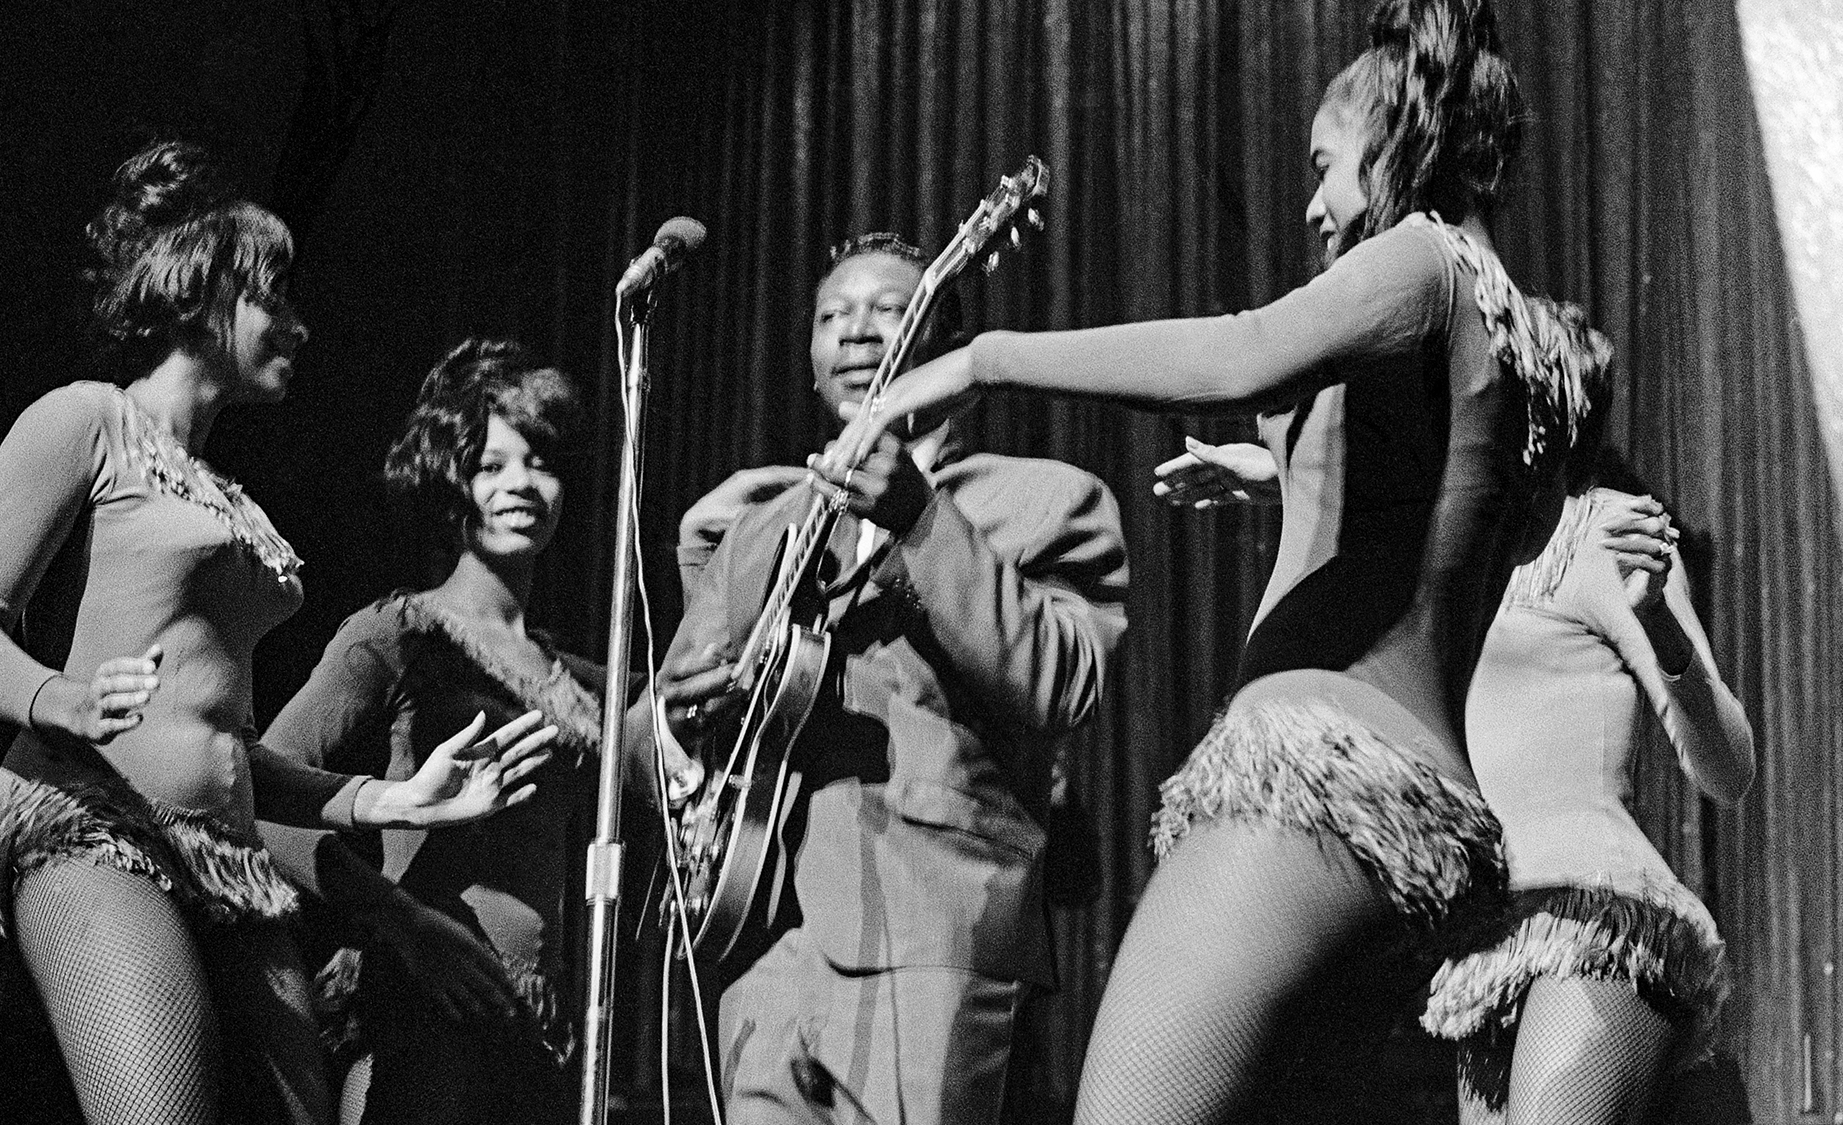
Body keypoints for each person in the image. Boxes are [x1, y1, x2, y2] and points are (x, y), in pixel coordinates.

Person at [824, 1, 1613, 1119]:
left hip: (1318, 784)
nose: (1310, 204)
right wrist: (1281, 476)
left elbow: (1243, 352)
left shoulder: (1421, 259)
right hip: (1434, 825)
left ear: (1399, 143)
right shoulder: (1530, 337)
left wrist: (980, 361)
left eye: (1324, 167)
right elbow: (1468, 517)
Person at [0, 142, 555, 1125]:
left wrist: (390, 796)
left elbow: (227, 749)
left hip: (225, 857)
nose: (300, 327)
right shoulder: (86, 422)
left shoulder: (228, 496)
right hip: (92, 821)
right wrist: (64, 699)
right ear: (196, 296)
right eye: (277, 300)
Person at [657, 231, 1130, 1124]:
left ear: (947, 345)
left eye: (885, 309)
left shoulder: (1046, 499)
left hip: (934, 927)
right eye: (832, 316)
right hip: (760, 936)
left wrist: (917, 517)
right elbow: (656, 726)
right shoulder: (766, 528)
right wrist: (682, 724)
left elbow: (1064, 682)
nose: (855, 332)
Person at [1159, 435, 1754, 1122]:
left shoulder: (1604, 533)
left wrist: (1659, 624)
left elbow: (1729, 770)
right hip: (1487, 949)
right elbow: (1388, 498)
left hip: (1594, 913)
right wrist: (1288, 478)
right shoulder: (1452, 546)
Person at [257, 339, 604, 1125]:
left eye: (541, 462)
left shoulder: (584, 678)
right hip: (422, 1015)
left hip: (540, 1036)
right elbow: (260, 793)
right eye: (492, 464)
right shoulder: (397, 633)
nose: (521, 483)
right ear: (452, 483)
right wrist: (403, 922)